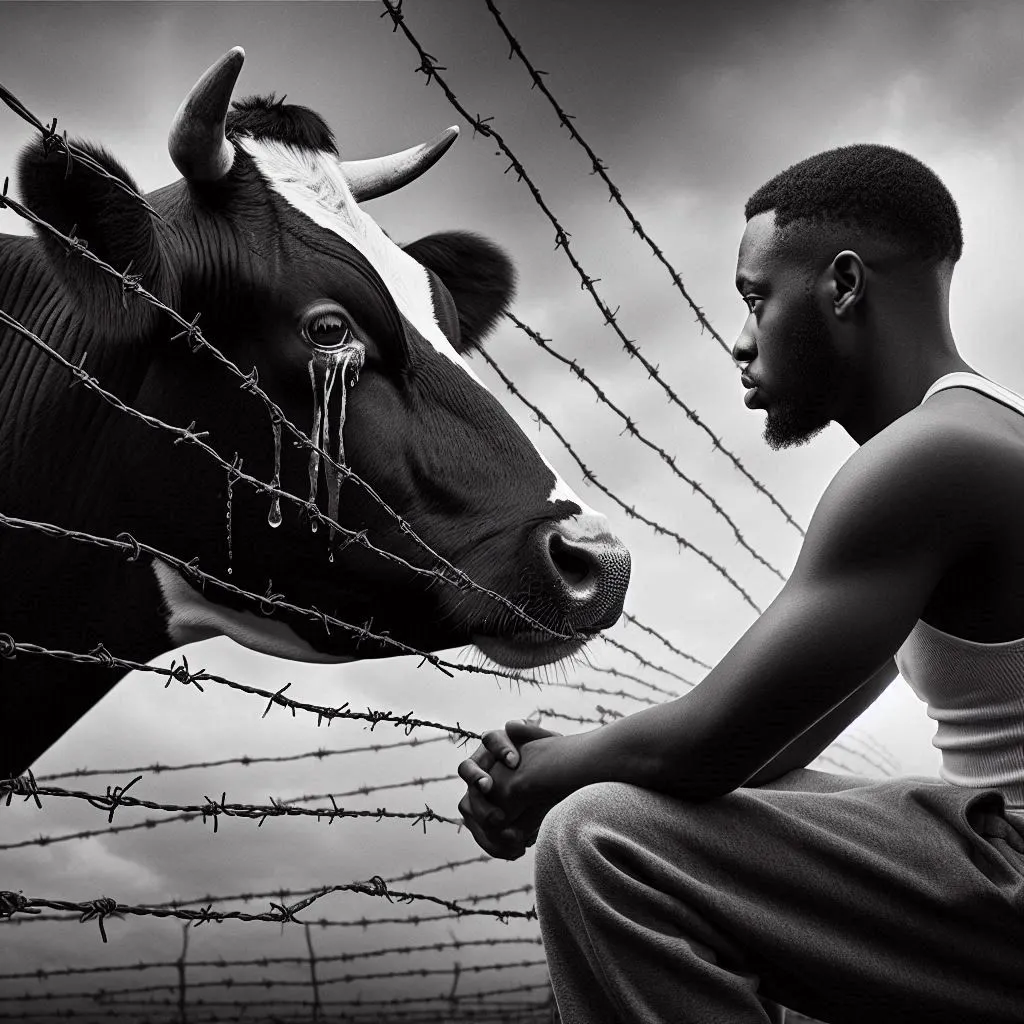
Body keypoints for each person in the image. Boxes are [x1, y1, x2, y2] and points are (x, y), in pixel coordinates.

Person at [456, 144, 1024, 1024]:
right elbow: (767, 743)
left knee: (603, 838)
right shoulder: (979, 433)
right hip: (1001, 864)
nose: (740, 338)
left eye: (757, 298)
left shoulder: (931, 459)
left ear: (842, 287)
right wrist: (584, 758)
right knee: (670, 802)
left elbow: (708, 742)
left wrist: (552, 779)